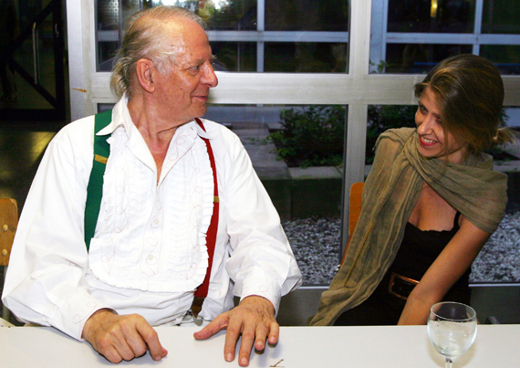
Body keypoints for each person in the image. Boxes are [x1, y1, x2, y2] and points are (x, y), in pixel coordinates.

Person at [2, 6, 302, 366]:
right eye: (196, 67)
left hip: (196, 340)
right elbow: (42, 265)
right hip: (83, 341)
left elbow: (261, 241)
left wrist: (257, 300)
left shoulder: (221, 148)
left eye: (210, 64)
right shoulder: (77, 146)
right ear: (148, 75)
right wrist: (95, 321)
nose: (212, 78)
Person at [309, 54, 514, 326]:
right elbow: (362, 241)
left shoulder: (483, 193)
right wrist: (342, 293)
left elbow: (425, 296)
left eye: (442, 120)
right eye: (423, 109)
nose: (424, 128)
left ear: (473, 126)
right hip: (371, 291)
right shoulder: (395, 149)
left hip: (438, 312)